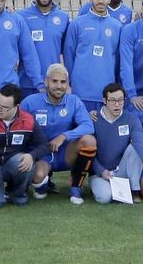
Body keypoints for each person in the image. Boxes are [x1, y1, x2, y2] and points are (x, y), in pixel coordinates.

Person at [21, 64, 94, 198]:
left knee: (89, 140)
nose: (59, 86)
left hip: (64, 153)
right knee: (38, 176)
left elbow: (88, 126)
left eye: (63, 82)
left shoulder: (74, 101)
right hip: (42, 154)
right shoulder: (30, 102)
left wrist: (64, 136)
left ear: (68, 83)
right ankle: (42, 184)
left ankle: (76, 186)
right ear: (46, 82)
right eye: (54, 81)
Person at [80, 83, 143, 203]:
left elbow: (140, 140)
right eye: (112, 100)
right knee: (104, 198)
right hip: (100, 173)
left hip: (121, 169)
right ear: (104, 101)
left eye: (120, 100)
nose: (117, 104)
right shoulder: (94, 119)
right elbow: (89, 152)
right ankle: (105, 187)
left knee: (135, 147)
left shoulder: (131, 119)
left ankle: (134, 190)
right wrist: (101, 171)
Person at [61, 0, 124, 115]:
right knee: (82, 127)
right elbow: (69, 54)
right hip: (81, 91)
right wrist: (73, 80)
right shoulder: (77, 24)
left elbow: (118, 59)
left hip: (107, 92)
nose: (100, 1)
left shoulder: (117, 26)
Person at [17, 0, 69, 99]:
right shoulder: (20, 17)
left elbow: (66, 50)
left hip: (53, 84)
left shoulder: (63, 17)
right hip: (26, 83)